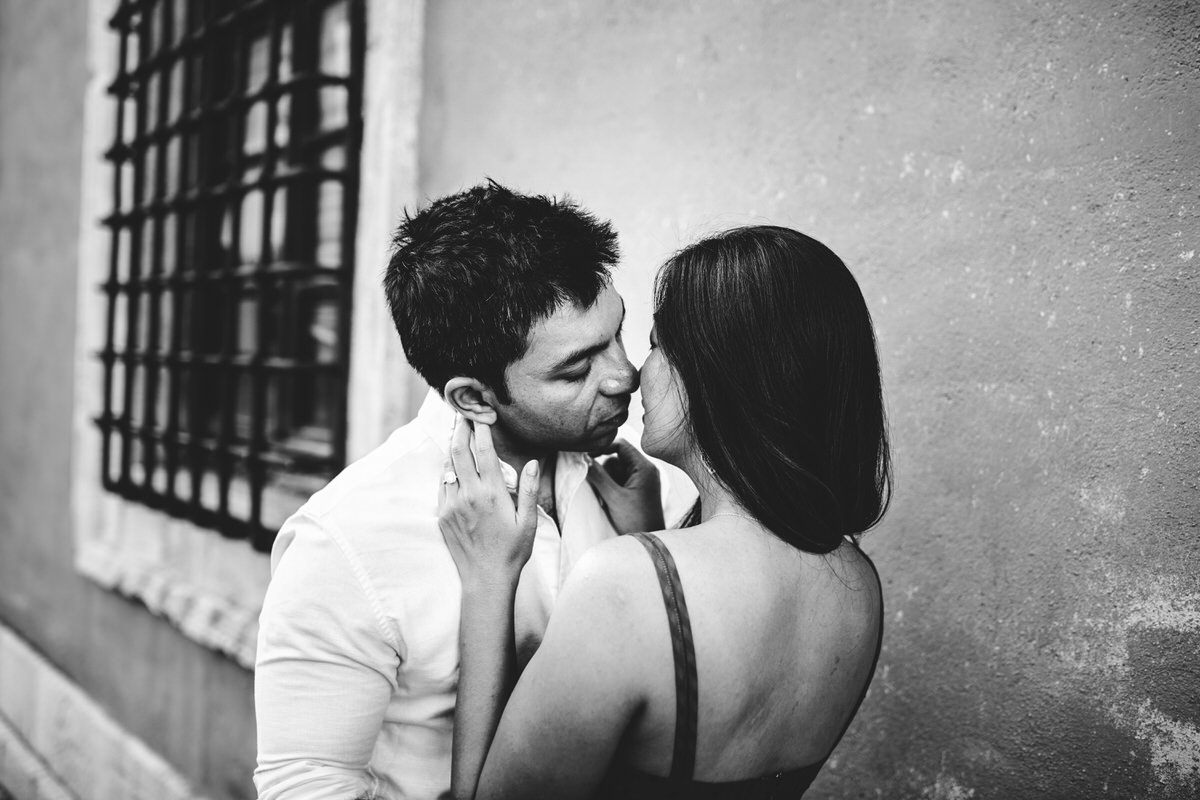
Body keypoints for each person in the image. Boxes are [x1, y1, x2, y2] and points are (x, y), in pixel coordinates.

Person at [439, 225, 892, 799]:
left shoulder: (624, 584)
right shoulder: (858, 585)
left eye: (655, 344)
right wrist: (654, 535)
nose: (632, 374)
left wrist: (486, 581)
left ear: (720, 375)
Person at [253, 181, 668, 800]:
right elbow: (305, 786)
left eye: (618, 334)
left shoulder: (626, 481)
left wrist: (648, 539)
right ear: (473, 398)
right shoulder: (345, 539)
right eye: (577, 369)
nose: (624, 376)